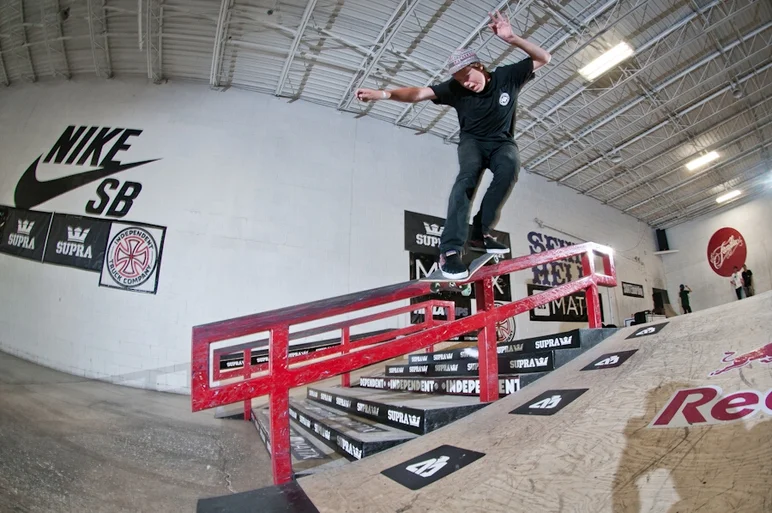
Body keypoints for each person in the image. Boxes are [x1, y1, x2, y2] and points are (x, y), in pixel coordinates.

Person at [355, 10, 551, 279]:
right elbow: (418, 93)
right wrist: (384, 94)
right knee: (466, 179)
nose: (467, 84)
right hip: (472, 142)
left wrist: (512, 38)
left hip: (502, 142)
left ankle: (481, 232)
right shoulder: (454, 88)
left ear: (479, 66)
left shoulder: (507, 76)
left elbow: (544, 58)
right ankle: (450, 250)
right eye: (460, 81)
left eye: (468, 76)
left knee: (509, 166)